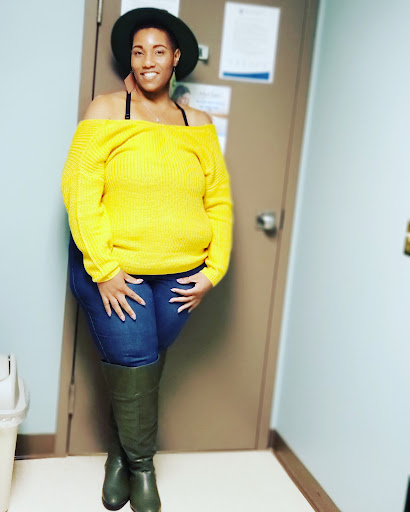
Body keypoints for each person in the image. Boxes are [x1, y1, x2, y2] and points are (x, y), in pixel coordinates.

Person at [61, 7, 232, 512]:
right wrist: (104, 269)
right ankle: (142, 468)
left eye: (159, 51)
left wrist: (214, 270)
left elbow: (219, 200)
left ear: (176, 58)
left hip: (182, 275)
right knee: (136, 362)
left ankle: (117, 454)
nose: (148, 61)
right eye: (138, 52)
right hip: (116, 272)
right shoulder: (107, 109)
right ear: (130, 60)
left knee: (141, 370)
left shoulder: (198, 123)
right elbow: (79, 191)